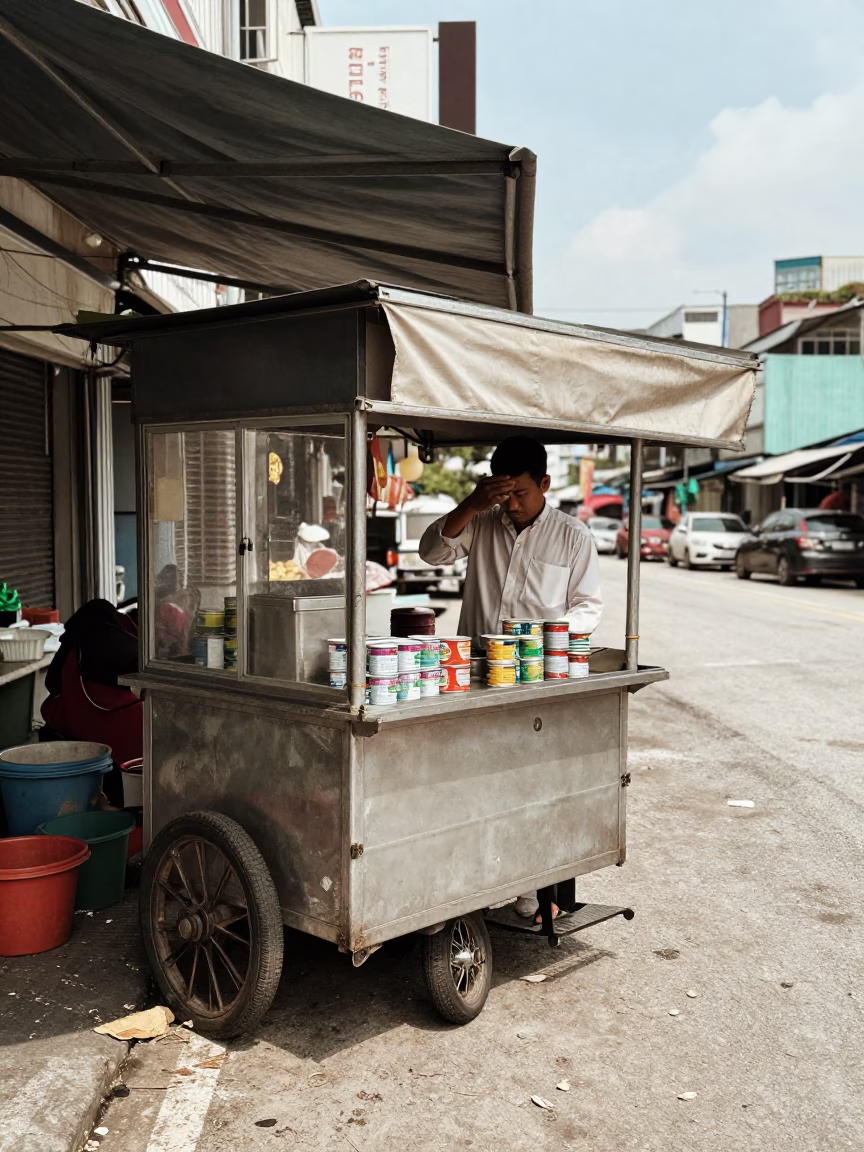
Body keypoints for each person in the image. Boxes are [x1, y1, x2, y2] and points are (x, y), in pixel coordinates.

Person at [419, 436, 603, 922]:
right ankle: (477, 884)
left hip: (537, 676)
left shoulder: (572, 537)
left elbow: (588, 607)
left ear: (544, 483)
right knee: (472, 779)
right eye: (504, 493)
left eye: (521, 493)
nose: (513, 504)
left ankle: (539, 894)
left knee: (535, 785)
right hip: (476, 671)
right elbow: (431, 552)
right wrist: (474, 502)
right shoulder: (480, 521)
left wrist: (544, 641)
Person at [41, 600, 143, 795]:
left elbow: (51, 686)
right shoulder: (130, 645)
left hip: (90, 755)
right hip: (134, 758)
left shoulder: (75, 646)